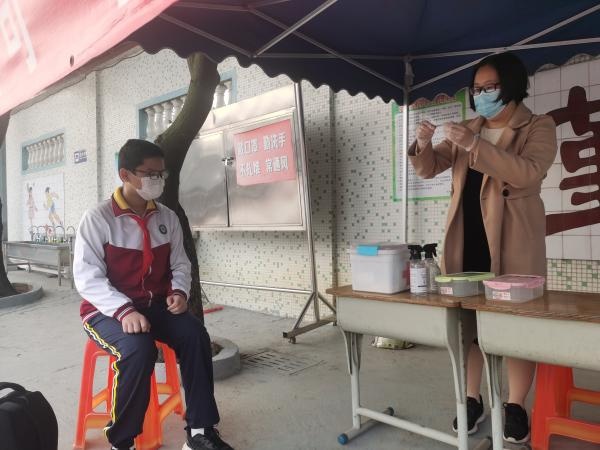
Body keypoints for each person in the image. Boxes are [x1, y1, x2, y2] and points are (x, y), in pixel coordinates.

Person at [409, 52, 557, 444]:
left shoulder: (538, 126)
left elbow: (527, 172)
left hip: (512, 238)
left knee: (515, 325)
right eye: (477, 88)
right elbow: (429, 167)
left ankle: (515, 405)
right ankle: (472, 399)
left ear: (512, 85)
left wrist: (476, 144)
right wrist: (422, 143)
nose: (481, 94)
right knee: (469, 325)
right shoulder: (469, 126)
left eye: (490, 86)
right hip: (468, 235)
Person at [73, 139, 234, 450]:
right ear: (125, 175)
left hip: (155, 305)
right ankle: (123, 442)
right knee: (138, 349)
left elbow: (180, 263)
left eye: (162, 174)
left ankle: (200, 431)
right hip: (105, 311)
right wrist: (124, 311)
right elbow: (87, 277)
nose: (158, 181)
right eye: (150, 174)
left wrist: (178, 292)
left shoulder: (167, 217)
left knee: (195, 335)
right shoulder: (98, 219)